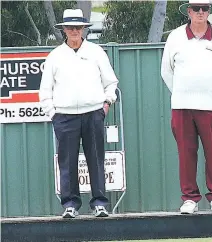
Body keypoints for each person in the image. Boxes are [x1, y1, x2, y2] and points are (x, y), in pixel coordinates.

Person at [39, 9, 119, 218]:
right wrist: (53, 114)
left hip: (93, 113)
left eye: (78, 27)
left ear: (84, 29)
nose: (74, 31)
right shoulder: (55, 56)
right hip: (64, 117)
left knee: (96, 160)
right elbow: (45, 91)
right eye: (70, 27)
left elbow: (110, 82)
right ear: (64, 29)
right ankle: (70, 205)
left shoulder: (96, 52)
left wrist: (107, 103)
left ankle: (99, 203)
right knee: (67, 162)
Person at [161, 0, 212, 214]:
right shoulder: (175, 37)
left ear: (209, 11)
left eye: (205, 8)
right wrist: (182, 92)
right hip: (182, 105)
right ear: (189, 11)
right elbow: (167, 71)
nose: (201, 12)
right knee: (186, 153)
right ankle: (189, 198)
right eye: (196, 9)